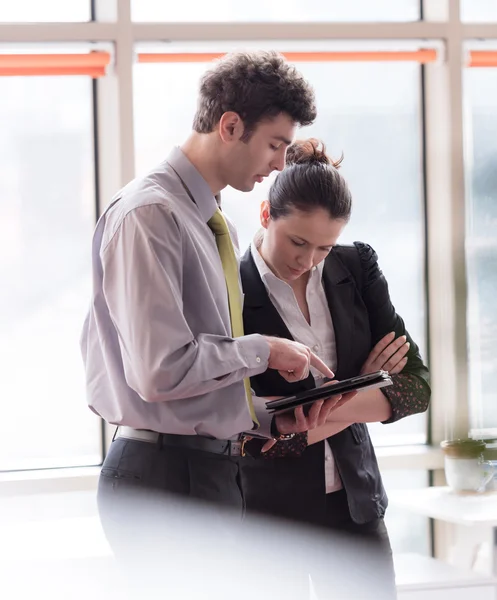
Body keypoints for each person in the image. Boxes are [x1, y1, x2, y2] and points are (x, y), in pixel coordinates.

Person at [80, 52, 353, 598]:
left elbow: (194, 379)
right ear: (230, 126)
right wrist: (264, 350)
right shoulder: (151, 214)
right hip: (163, 477)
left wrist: (269, 419)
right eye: (274, 143)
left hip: (206, 471)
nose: (280, 164)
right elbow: (160, 372)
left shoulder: (210, 222)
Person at [239, 138, 431, 598]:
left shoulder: (356, 267)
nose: (307, 261)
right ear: (266, 215)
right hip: (267, 520)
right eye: (298, 242)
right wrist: (363, 389)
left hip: (356, 508)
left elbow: (419, 388)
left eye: (324, 247)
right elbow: (254, 440)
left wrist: (319, 407)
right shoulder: (233, 288)